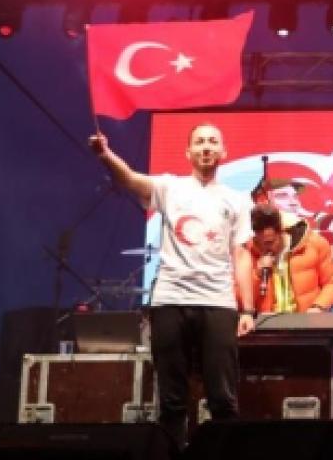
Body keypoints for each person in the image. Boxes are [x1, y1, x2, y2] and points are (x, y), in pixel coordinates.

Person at [89, 124, 256, 446]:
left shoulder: (237, 200)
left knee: (223, 398)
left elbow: (242, 254)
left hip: (217, 303)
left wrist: (247, 309)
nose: (206, 147)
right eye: (199, 142)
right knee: (172, 400)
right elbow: (129, 179)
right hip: (170, 300)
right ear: (188, 152)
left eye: (212, 142)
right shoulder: (170, 187)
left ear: (223, 152)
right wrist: (105, 154)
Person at [242, 202, 333, 314]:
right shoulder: (248, 251)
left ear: (281, 231)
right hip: (266, 321)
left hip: (306, 319)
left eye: (269, 242)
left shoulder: (314, 244)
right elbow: (237, 298)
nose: (264, 247)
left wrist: (318, 306)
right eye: (259, 241)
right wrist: (257, 273)